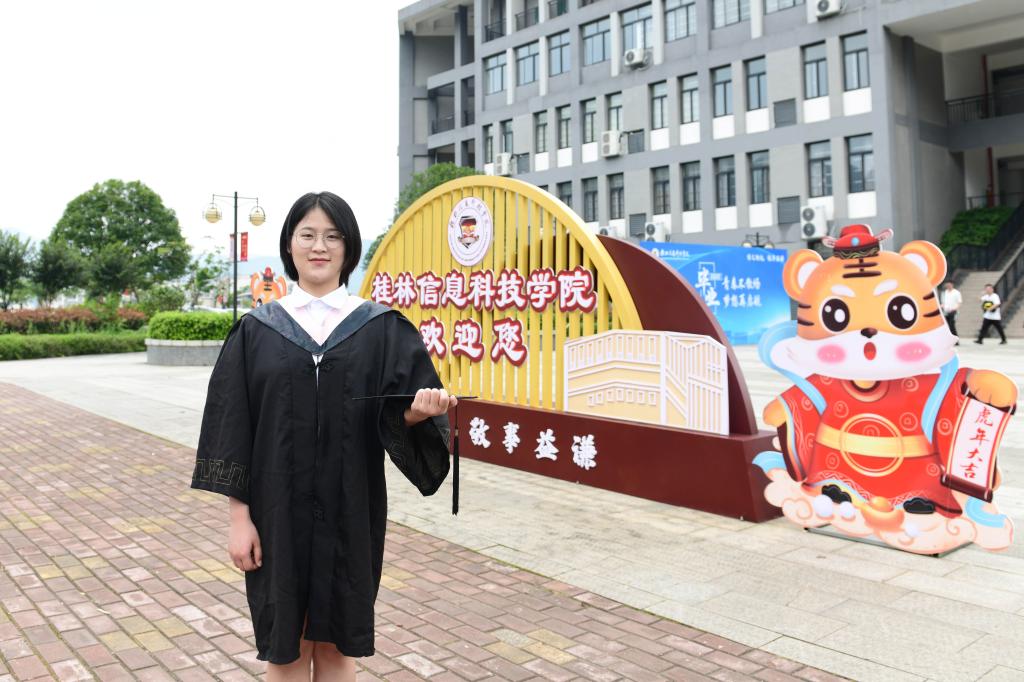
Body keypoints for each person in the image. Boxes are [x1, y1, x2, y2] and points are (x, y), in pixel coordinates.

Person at [191, 191, 456, 681]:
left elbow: (396, 417)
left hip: (351, 511)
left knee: (337, 647)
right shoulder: (257, 330)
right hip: (275, 512)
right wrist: (239, 520)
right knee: (285, 650)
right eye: (308, 235)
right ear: (289, 246)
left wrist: (417, 415)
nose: (319, 246)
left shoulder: (381, 328)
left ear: (349, 248)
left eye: (333, 236)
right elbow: (232, 426)